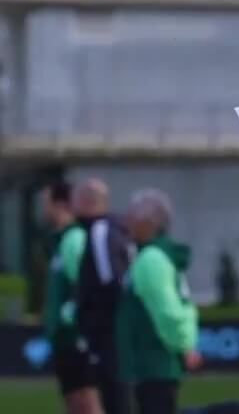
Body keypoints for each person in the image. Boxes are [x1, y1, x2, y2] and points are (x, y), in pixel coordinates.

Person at [116, 188, 202, 414]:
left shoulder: (150, 259)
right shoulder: (159, 255)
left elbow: (167, 311)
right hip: (156, 363)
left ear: (149, 223)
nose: (127, 223)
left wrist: (182, 345)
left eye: (133, 216)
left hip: (153, 362)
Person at [73, 177, 135, 414]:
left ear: (85, 201)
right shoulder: (117, 229)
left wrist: (97, 326)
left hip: (108, 333)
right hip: (114, 330)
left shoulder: (100, 231)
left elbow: (109, 280)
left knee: (115, 394)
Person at [40, 179, 101, 414]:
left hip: (77, 336)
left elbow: (84, 285)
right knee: (75, 403)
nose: (43, 209)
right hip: (64, 338)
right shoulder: (61, 241)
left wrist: (71, 315)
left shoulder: (74, 239)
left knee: (87, 401)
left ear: (60, 205)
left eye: (46, 203)